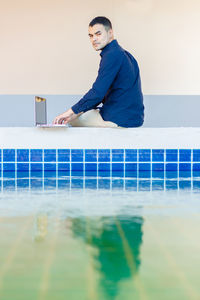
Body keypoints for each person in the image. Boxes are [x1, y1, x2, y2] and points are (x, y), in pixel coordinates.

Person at [53, 16, 144, 128]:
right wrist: (78, 110)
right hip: (135, 119)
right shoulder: (126, 55)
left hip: (119, 119)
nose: (94, 39)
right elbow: (100, 95)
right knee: (82, 112)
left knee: (72, 120)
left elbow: (97, 93)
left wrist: (70, 112)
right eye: (91, 36)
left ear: (110, 33)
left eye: (98, 34)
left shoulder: (111, 55)